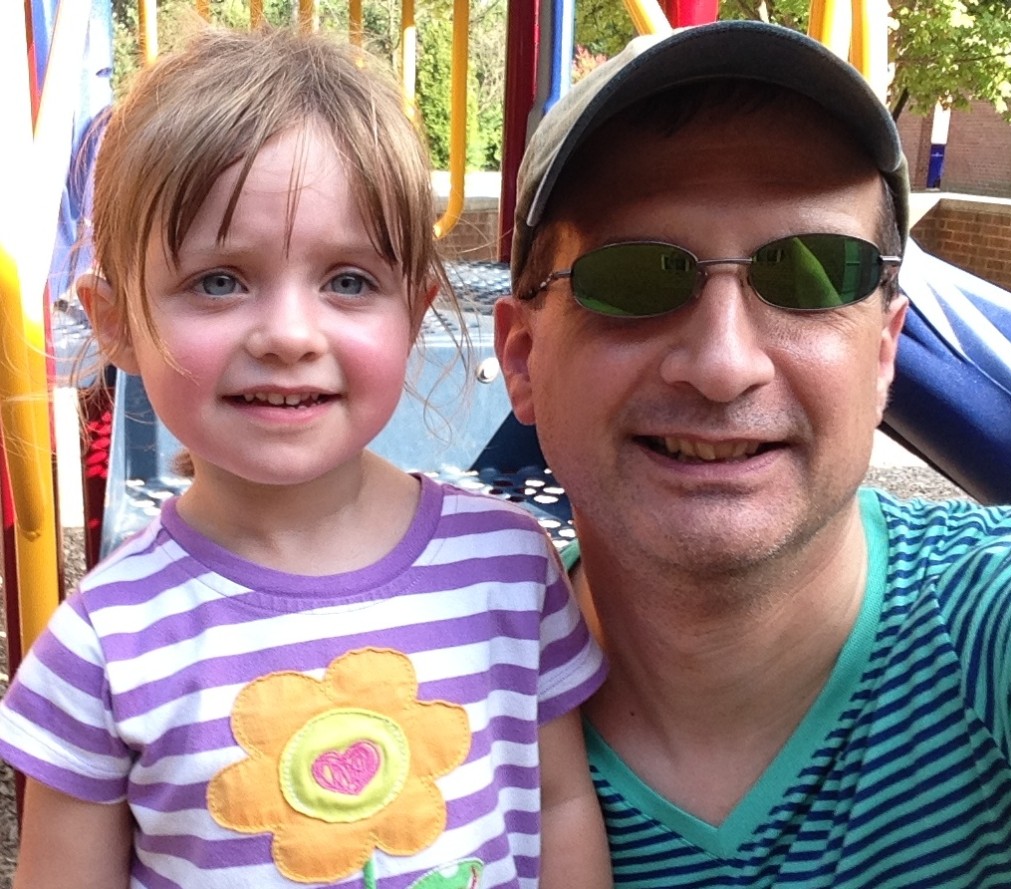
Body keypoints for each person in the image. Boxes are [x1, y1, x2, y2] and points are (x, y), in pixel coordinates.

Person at [0, 26, 610, 889]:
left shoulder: (509, 568)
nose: (289, 334)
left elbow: (557, 805)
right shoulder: (104, 647)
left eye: (348, 281)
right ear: (115, 322)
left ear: (414, 312)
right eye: (219, 280)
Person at [496, 19, 1011, 887]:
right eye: (636, 276)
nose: (722, 363)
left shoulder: (991, 625)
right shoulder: (435, 696)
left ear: (883, 353)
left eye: (811, 273)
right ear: (523, 360)